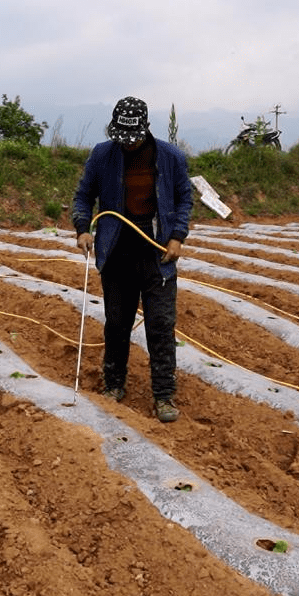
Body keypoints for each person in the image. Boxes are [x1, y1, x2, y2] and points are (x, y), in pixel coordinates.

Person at [71, 96, 193, 423]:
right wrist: (83, 228)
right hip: (117, 253)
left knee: (160, 325)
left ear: (145, 129)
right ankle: (114, 384)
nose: (127, 145)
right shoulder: (102, 155)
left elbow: (184, 200)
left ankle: (164, 395)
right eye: (121, 139)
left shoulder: (170, 157)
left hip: (156, 253)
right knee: (117, 324)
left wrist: (177, 236)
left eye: (133, 138)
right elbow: (84, 196)